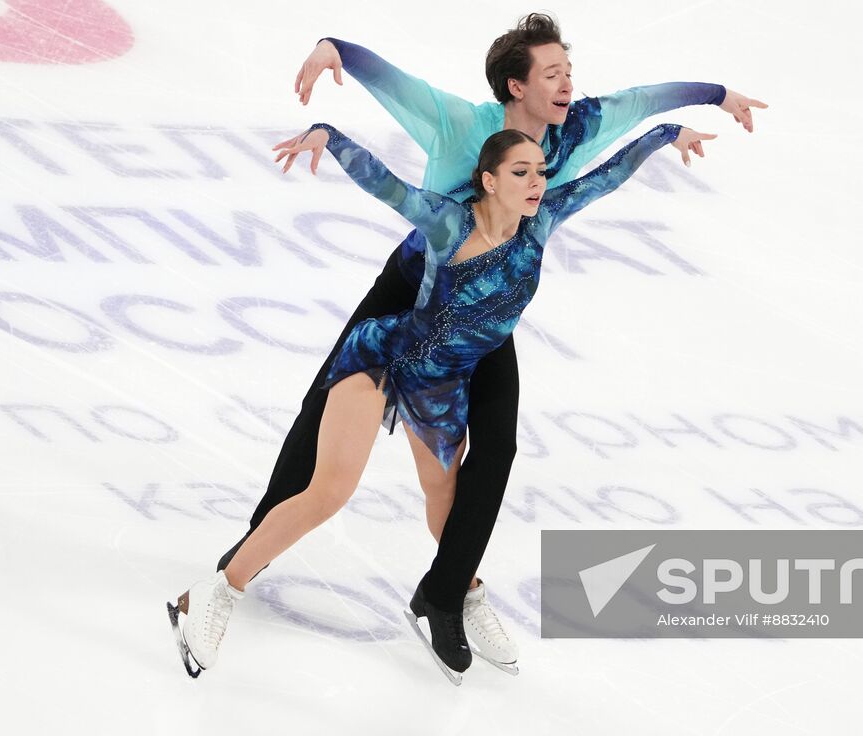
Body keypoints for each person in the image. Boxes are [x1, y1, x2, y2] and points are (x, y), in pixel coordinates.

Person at [216, 13, 767, 673]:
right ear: (515, 85)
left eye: (569, 71)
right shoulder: (462, 124)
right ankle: (258, 542)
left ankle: (447, 595)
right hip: (412, 290)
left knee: (495, 447)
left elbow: (640, 105)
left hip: (483, 312)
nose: (567, 84)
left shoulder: (576, 128)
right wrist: (337, 51)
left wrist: (712, 95)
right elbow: (399, 88)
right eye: (553, 73)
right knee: (322, 410)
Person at [171, 119, 713, 683]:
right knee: (329, 492)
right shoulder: (451, 222)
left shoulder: (543, 218)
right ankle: (213, 595)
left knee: (446, 500)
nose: (536, 183)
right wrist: (329, 137)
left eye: (540, 172)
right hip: (383, 358)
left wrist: (666, 133)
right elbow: (388, 186)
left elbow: (608, 177)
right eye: (521, 172)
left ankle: (457, 592)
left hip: (441, 384)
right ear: (489, 179)